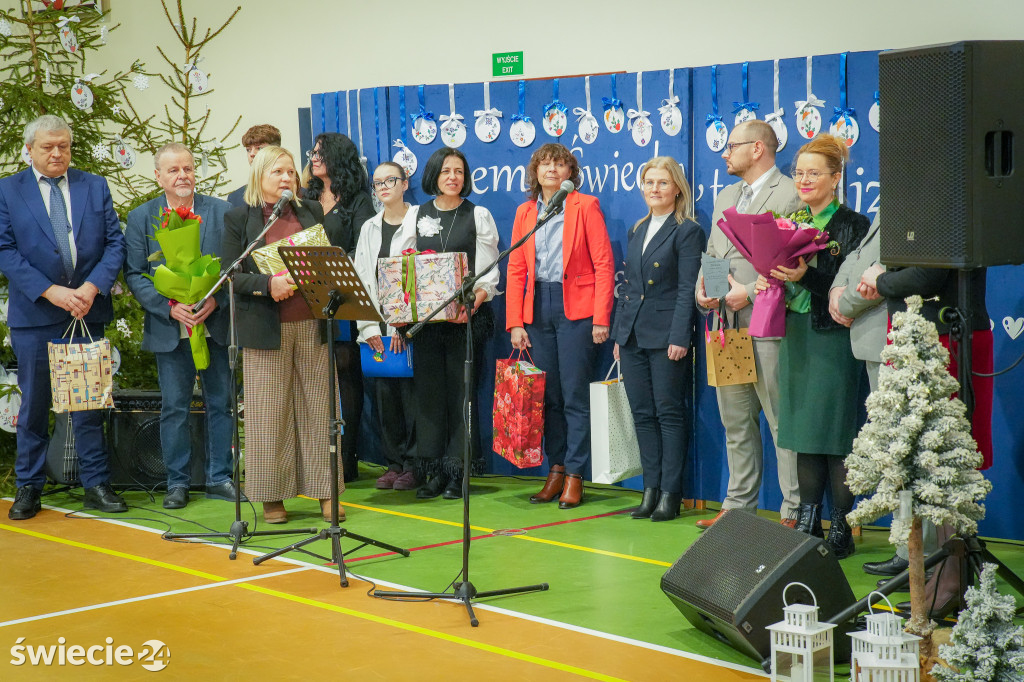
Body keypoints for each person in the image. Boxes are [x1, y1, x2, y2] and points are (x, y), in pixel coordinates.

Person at [0, 114, 127, 520]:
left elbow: (114, 244)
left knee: (89, 404)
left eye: (64, 147)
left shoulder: (94, 185)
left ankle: (96, 484)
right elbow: (5, 250)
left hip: (87, 311)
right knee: (34, 406)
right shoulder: (8, 190)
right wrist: (52, 291)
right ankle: (29, 488)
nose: (57, 154)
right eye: (47, 147)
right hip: (36, 314)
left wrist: (90, 289)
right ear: (29, 149)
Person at [756, 133, 870, 558]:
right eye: (798, 172)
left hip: (834, 335)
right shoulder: (790, 218)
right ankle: (808, 519)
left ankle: (841, 523)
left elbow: (850, 288)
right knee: (802, 430)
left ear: (835, 177)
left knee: (835, 433)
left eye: (813, 173)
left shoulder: (853, 225)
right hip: (797, 332)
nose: (803, 180)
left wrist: (806, 276)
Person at [856, 234, 992, 590]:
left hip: (945, 337)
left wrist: (881, 280)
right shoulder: (918, 198)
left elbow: (929, 275)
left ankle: (947, 574)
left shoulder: (943, 198)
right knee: (913, 454)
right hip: (917, 335)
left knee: (943, 456)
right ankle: (921, 559)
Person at [222, 146, 342, 525]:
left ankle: (327, 492)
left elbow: (323, 262)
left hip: (312, 323)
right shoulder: (239, 218)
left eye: (292, 172)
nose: (288, 178)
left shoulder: (310, 212)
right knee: (269, 415)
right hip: (266, 329)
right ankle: (272, 496)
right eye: (279, 172)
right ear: (260, 176)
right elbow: (230, 275)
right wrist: (266, 284)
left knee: (319, 411)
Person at [694, 120, 803, 530]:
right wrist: (708, 291)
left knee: (779, 418)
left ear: (758, 148)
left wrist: (752, 294)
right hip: (726, 323)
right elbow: (714, 251)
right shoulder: (725, 195)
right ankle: (739, 505)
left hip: (769, 321)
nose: (725, 153)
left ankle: (792, 510)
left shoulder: (791, 193)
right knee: (735, 419)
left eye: (732, 145)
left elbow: (793, 260)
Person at [124, 143, 244, 510]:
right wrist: (169, 306)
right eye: (173, 170)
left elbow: (234, 267)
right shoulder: (142, 217)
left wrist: (215, 300)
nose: (182, 176)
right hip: (170, 329)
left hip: (215, 325)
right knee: (174, 407)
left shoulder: (222, 212)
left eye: (188, 169)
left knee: (220, 404)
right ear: (158, 176)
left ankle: (219, 477)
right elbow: (135, 274)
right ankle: (176, 482)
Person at [507, 143, 614, 509]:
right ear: (535, 171)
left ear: (571, 171)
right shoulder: (525, 211)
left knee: (573, 396)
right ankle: (555, 469)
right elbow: (516, 268)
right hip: (537, 308)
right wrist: (515, 322)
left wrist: (601, 318)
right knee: (547, 397)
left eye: (560, 163)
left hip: (577, 310)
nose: (552, 169)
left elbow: (603, 265)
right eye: (545, 163)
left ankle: (574, 475)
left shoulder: (585, 206)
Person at [612, 157, 705, 522]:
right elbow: (630, 289)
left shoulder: (687, 231)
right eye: (649, 182)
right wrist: (621, 334)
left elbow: (687, 290)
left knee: (668, 413)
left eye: (663, 183)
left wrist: (681, 335)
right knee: (642, 414)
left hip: (668, 336)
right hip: (633, 334)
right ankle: (649, 490)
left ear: (677, 188)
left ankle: (671, 493)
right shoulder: (638, 229)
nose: (655, 189)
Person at [410, 148, 499, 500]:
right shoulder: (417, 215)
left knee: (461, 395)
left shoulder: (478, 214)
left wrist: (475, 301)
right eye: (446, 171)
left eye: (459, 171)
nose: (453, 177)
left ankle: (458, 472)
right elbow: (405, 265)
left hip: (466, 320)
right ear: (434, 174)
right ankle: (433, 471)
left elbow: (490, 268)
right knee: (430, 397)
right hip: (428, 323)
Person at [305, 133, 376, 482]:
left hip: (343, 296)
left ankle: (348, 459)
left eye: (320, 152)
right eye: (312, 152)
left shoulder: (358, 200)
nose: (314, 157)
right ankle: (319, 458)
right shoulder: (305, 198)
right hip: (307, 297)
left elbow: (366, 248)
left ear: (337, 157)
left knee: (346, 372)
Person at [353, 162, 418, 490]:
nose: (383, 187)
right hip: (376, 329)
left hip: (408, 328)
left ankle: (414, 464)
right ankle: (393, 462)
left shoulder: (421, 221)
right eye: (377, 183)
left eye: (390, 180)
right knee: (384, 399)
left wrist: (401, 328)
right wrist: (368, 329)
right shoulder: (369, 228)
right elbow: (362, 279)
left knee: (411, 398)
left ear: (405, 183)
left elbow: (420, 278)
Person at [227, 124, 281, 208]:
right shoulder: (236, 198)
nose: (252, 154)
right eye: (248, 150)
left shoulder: (297, 193)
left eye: (259, 148)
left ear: (276, 151)